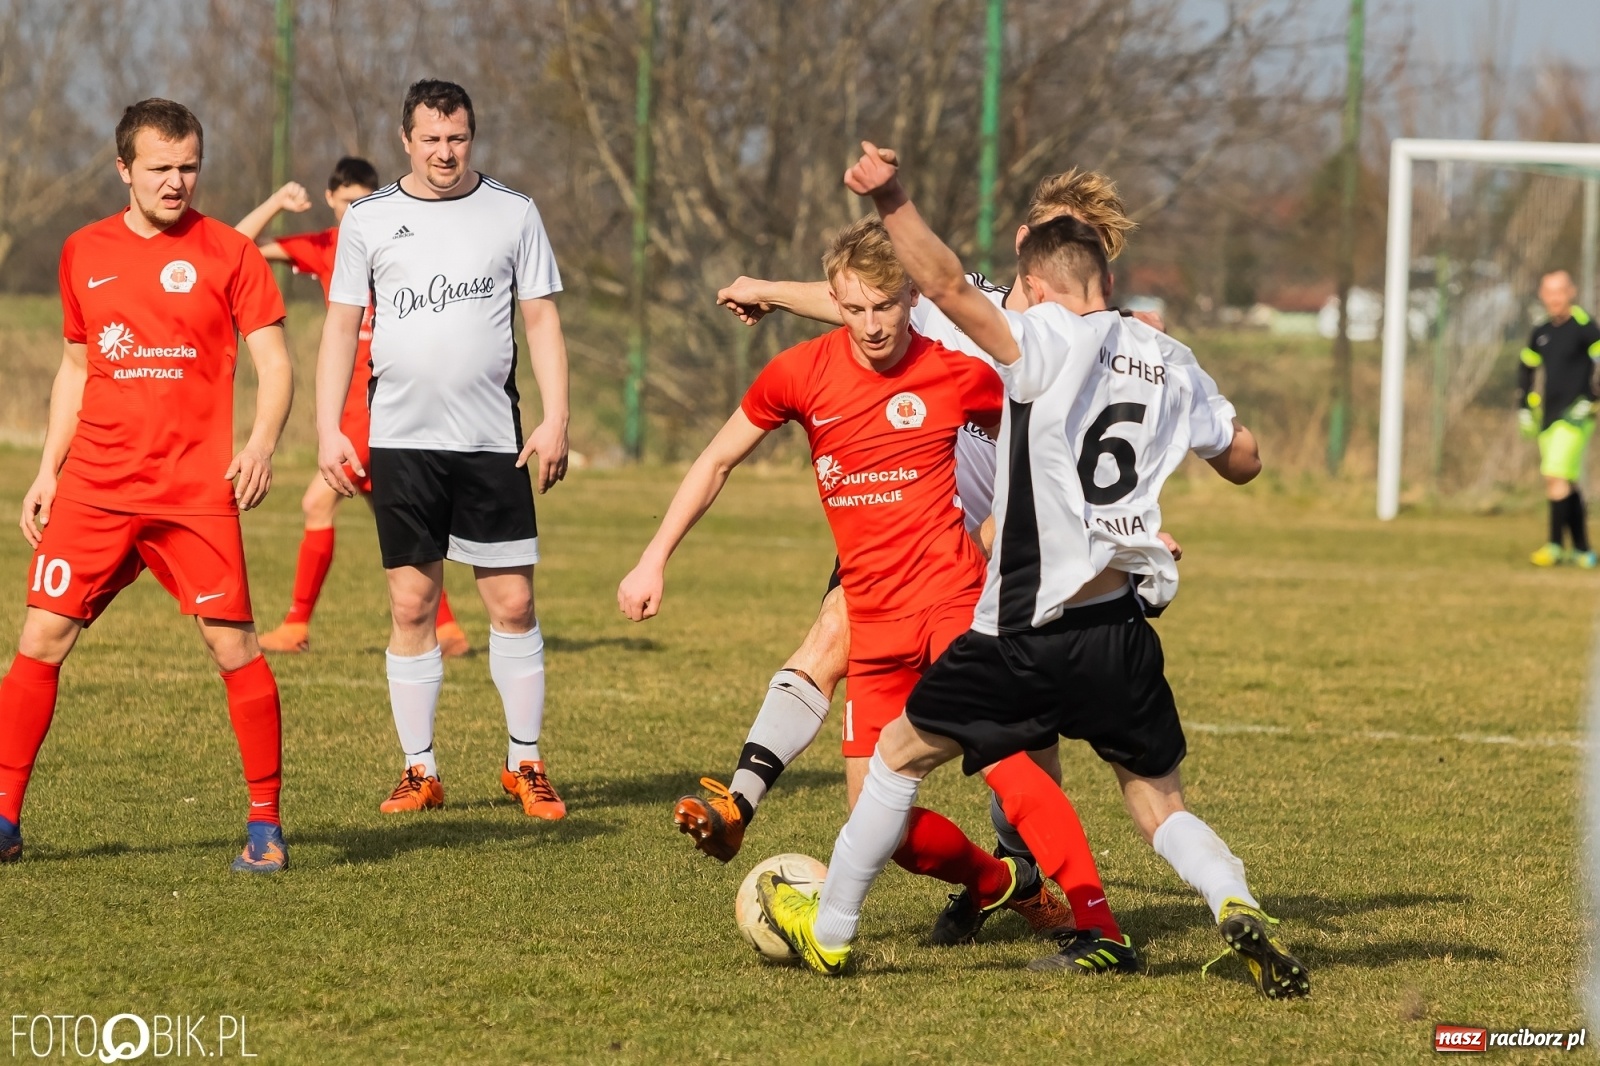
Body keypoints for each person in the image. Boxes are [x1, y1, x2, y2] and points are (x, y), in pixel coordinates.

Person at [762, 144, 1307, 1000]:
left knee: (899, 757)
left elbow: (942, 287)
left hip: (1023, 630)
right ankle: (1231, 898)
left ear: (1041, 284)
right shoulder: (1168, 355)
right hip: (1121, 630)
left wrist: (895, 196)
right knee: (1159, 803)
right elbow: (1245, 459)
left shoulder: (1038, 337)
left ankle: (829, 931)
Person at [620, 218, 1104, 942]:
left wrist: (1047, 524)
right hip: (875, 624)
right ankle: (1002, 883)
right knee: (881, 828)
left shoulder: (952, 370)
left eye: (884, 306)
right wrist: (654, 555)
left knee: (1007, 763)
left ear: (911, 297)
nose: (872, 326)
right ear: (835, 301)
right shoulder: (798, 373)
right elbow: (716, 460)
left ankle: (1099, 920)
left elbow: (1041, 440)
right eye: (854, 309)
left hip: (953, 605)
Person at [0, 99, 293, 873]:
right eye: (160, 168)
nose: (177, 182)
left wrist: (261, 442)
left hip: (194, 493)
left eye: (189, 166)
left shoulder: (232, 253)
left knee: (233, 646)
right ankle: (3, 819)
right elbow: (76, 368)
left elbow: (275, 365)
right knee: (41, 637)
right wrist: (46, 470)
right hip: (95, 485)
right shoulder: (81, 250)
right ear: (124, 168)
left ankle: (265, 826)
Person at [316, 79, 570, 818]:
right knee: (411, 602)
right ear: (406, 140)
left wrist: (555, 418)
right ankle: (419, 770)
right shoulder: (367, 219)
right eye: (430, 139)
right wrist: (329, 426)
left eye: (456, 138)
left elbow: (543, 322)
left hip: (493, 441)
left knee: (514, 602)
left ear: (472, 135)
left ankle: (524, 763)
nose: (444, 152)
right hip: (400, 440)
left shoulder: (513, 212)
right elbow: (339, 327)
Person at [234, 159, 470, 656]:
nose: (355, 212)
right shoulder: (326, 245)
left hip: (382, 403)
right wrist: (277, 202)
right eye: (347, 204)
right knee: (397, 518)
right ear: (331, 199)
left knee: (316, 502)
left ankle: (296, 625)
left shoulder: (395, 240)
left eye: (364, 202)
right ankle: (447, 629)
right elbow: (237, 247)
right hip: (351, 405)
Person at [1519, 270, 1600, 568]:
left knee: (1554, 475)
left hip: (1576, 416)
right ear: (1542, 295)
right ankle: (1582, 548)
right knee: (1567, 482)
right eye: (1549, 292)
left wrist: (1592, 400)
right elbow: (1526, 367)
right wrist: (1524, 405)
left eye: (1560, 291)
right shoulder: (1541, 331)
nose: (1555, 298)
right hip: (1549, 416)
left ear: (1571, 292)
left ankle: (1554, 545)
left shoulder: (1585, 327)